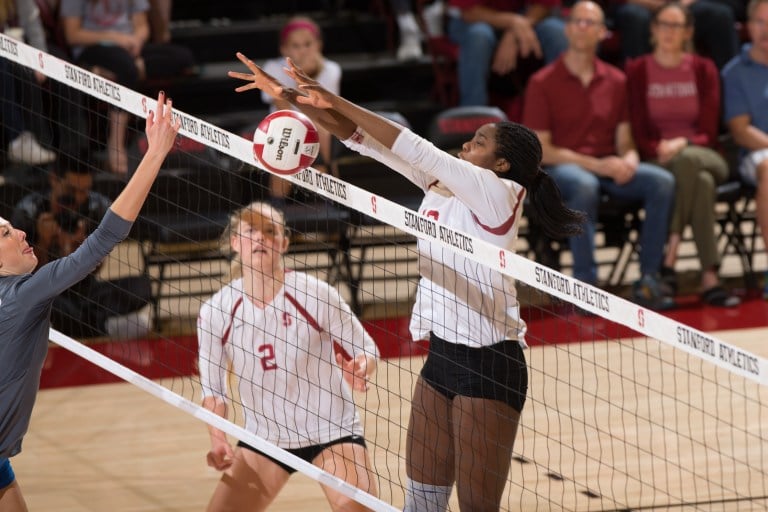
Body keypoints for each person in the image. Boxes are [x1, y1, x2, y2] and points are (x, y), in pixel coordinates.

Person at [227, 50, 585, 511]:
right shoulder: (444, 186)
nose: (465, 146)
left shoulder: (499, 194)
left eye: (478, 142)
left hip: (490, 364)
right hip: (442, 358)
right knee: (421, 500)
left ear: (500, 164)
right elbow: (363, 139)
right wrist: (293, 100)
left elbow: (414, 145)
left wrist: (330, 96)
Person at [0, 91, 179, 512]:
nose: (21, 232)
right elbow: (101, 242)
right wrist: (154, 154)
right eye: (6, 233)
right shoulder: (21, 297)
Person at [197, 201, 380, 511]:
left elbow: (367, 349)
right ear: (235, 243)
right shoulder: (216, 311)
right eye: (251, 231)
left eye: (270, 231)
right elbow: (213, 394)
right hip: (266, 439)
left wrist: (360, 368)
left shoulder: (316, 294)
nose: (260, 239)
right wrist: (218, 440)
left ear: (283, 243)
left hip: (331, 430)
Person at [523, 0, 676, 310]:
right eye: (577, 21)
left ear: (602, 32)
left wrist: (630, 160)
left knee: (661, 181)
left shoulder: (616, 80)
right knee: (583, 185)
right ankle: (586, 286)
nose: (583, 27)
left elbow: (624, 140)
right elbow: (544, 151)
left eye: (590, 22)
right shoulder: (542, 82)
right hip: (563, 170)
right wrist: (597, 165)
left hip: (607, 167)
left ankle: (649, 278)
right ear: (567, 29)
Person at [625, 2, 740, 307]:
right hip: (659, 159)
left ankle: (670, 254)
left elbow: (708, 131)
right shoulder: (638, 70)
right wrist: (658, 150)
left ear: (688, 32)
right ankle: (710, 276)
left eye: (676, 26)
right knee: (699, 183)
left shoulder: (703, 69)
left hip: (705, 153)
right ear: (652, 29)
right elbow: (638, 130)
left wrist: (680, 143)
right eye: (663, 24)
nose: (668, 32)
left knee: (691, 163)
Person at [11, 153, 154, 338]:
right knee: (47, 305)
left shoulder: (96, 207)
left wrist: (82, 253)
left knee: (141, 287)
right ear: (54, 180)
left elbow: (96, 270)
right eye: (71, 191)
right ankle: (100, 326)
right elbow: (23, 279)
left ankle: (82, 325)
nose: (78, 198)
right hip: (48, 292)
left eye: (84, 190)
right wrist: (43, 243)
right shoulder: (28, 211)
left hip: (85, 291)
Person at [59, 0, 195, 174]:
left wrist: (136, 43)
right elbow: (73, 35)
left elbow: (142, 25)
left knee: (183, 57)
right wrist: (116, 38)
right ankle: (116, 144)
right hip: (93, 48)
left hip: (128, 48)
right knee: (126, 68)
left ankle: (120, 69)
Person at [259, 16, 340, 205]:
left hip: (318, 129)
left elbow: (324, 111)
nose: (303, 50)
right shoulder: (272, 68)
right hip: (282, 128)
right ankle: (276, 207)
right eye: (296, 46)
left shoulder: (331, 69)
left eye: (307, 44)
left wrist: (306, 77)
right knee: (286, 141)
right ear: (284, 49)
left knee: (323, 132)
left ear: (318, 45)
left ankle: (332, 199)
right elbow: (284, 110)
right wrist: (298, 75)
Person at [722, 0, 768, 299]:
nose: (767, 30)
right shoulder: (735, 71)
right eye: (761, 22)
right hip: (756, 155)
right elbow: (741, 131)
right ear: (748, 26)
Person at [446, 0, 567, 106]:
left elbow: (543, 5)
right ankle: (472, 115)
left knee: (557, 33)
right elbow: (469, 12)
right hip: (475, 19)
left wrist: (513, 33)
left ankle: (562, 110)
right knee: (478, 36)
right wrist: (513, 22)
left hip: (526, 18)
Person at [1, 0, 56, 165]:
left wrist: (40, 61)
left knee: (29, 73)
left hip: (14, 50)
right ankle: (17, 138)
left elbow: (33, 24)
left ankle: (59, 153)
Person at [610, 0, 739, 69]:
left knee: (720, 15)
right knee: (634, 18)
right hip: (639, 4)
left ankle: (730, 95)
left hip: (684, 4)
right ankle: (637, 88)